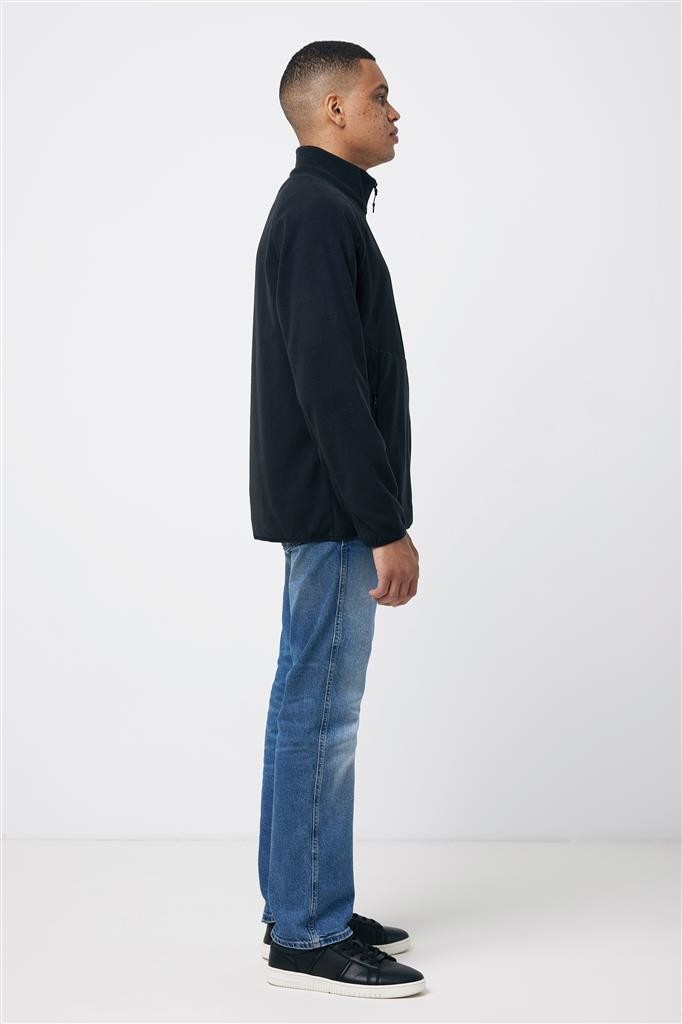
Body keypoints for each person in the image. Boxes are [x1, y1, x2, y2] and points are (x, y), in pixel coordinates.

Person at [249, 40, 425, 999]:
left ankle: (305, 900)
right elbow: (329, 385)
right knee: (319, 712)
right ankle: (308, 936)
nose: (395, 112)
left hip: (328, 510)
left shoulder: (324, 210)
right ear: (332, 111)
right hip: (335, 514)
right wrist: (382, 522)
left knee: (312, 708)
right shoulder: (318, 215)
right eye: (380, 96)